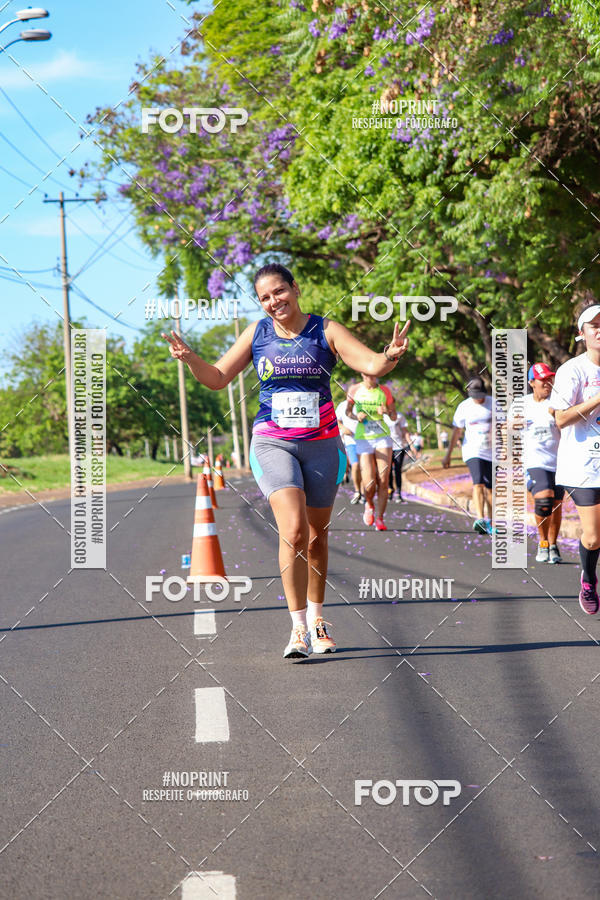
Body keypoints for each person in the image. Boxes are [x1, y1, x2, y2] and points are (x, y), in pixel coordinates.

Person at [162, 262, 411, 656]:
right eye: (264, 297)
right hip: (272, 443)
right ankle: (297, 628)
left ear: (294, 289)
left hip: (323, 445)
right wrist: (191, 358)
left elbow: (370, 364)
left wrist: (390, 355)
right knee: (293, 531)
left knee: (316, 537)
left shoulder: (325, 330)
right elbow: (216, 378)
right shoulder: (257, 333)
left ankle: (317, 620)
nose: (273, 301)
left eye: (279, 292)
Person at [551, 304, 600, 614]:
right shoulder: (573, 370)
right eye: (593, 325)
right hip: (582, 466)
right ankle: (588, 578)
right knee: (593, 537)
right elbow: (561, 419)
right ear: (582, 334)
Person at [520, 363, 563, 563]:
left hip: (560, 462)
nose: (547, 382)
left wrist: (559, 416)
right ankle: (542, 542)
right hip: (534, 461)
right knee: (544, 500)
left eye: (549, 378)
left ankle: (553, 545)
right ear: (531, 383)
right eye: (542, 379)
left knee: (556, 505)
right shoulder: (522, 404)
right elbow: (506, 428)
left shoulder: (559, 402)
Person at [442, 376, 493, 534]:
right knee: (478, 482)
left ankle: (491, 521)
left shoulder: (494, 403)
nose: (479, 400)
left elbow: (503, 427)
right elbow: (457, 432)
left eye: (481, 396)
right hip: (473, 450)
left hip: (491, 450)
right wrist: (448, 455)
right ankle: (480, 518)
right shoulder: (464, 407)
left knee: (491, 488)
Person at [346, 376, 397, 531]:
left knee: (383, 479)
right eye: (368, 374)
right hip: (363, 438)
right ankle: (369, 503)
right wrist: (356, 416)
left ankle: (380, 518)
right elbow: (348, 412)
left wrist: (387, 411)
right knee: (368, 483)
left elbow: (394, 416)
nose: (371, 377)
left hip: (382, 438)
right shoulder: (354, 389)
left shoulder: (385, 391)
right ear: (362, 374)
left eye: (374, 374)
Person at [335, 395, 362, 503]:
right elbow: (336, 421)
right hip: (350, 441)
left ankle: (364, 492)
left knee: (364, 467)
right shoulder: (342, 406)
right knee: (355, 465)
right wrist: (343, 428)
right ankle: (357, 491)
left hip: (365, 441)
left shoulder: (363, 404)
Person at [384, 408, 412, 502]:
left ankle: (398, 493)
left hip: (399, 446)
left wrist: (411, 445)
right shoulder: (381, 417)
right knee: (387, 470)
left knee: (397, 470)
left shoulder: (399, 416)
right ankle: (390, 490)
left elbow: (405, 431)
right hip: (386, 447)